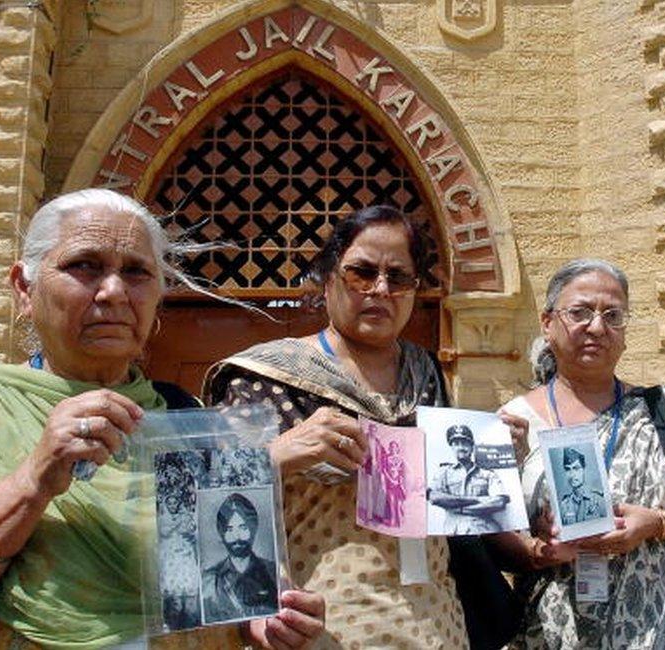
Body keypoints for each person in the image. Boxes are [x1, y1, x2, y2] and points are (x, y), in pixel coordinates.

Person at [0, 189, 324, 649]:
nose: (113, 292)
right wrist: (33, 482)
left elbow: (228, 586)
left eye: (135, 272)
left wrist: (267, 619)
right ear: (23, 288)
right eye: (84, 266)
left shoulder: (186, 419)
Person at [204, 206, 470, 649]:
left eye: (398, 277)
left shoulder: (425, 374)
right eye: (361, 273)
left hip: (436, 623)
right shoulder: (265, 378)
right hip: (320, 626)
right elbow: (213, 503)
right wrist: (277, 455)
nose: (381, 289)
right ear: (328, 278)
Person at [492, 258, 665, 648]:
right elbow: (490, 538)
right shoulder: (513, 422)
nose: (597, 327)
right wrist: (541, 552)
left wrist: (658, 523)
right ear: (547, 323)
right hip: (547, 634)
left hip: (661, 630)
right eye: (579, 312)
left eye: (613, 315)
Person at [202, 493, 278, 624]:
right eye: (229, 529)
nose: (237, 537)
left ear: (253, 529)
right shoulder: (209, 580)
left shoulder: (272, 571)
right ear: (222, 534)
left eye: (243, 528)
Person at [429, 424, 509, 534]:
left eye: (465, 443)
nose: (461, 447)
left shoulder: (487, 473)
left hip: (487, 530)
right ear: (452, 447)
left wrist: (459, 508)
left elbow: (499, 501)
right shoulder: (443, 472)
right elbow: (434, 497)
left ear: (472, 447)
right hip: (456, 533)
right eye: (456, 444)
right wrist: (478, 500)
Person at [557, 447, 607, 525]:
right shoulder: (564, 505)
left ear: (584, 469)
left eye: (576, 468)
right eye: (568, 469)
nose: (572, 474)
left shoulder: (598, 500)